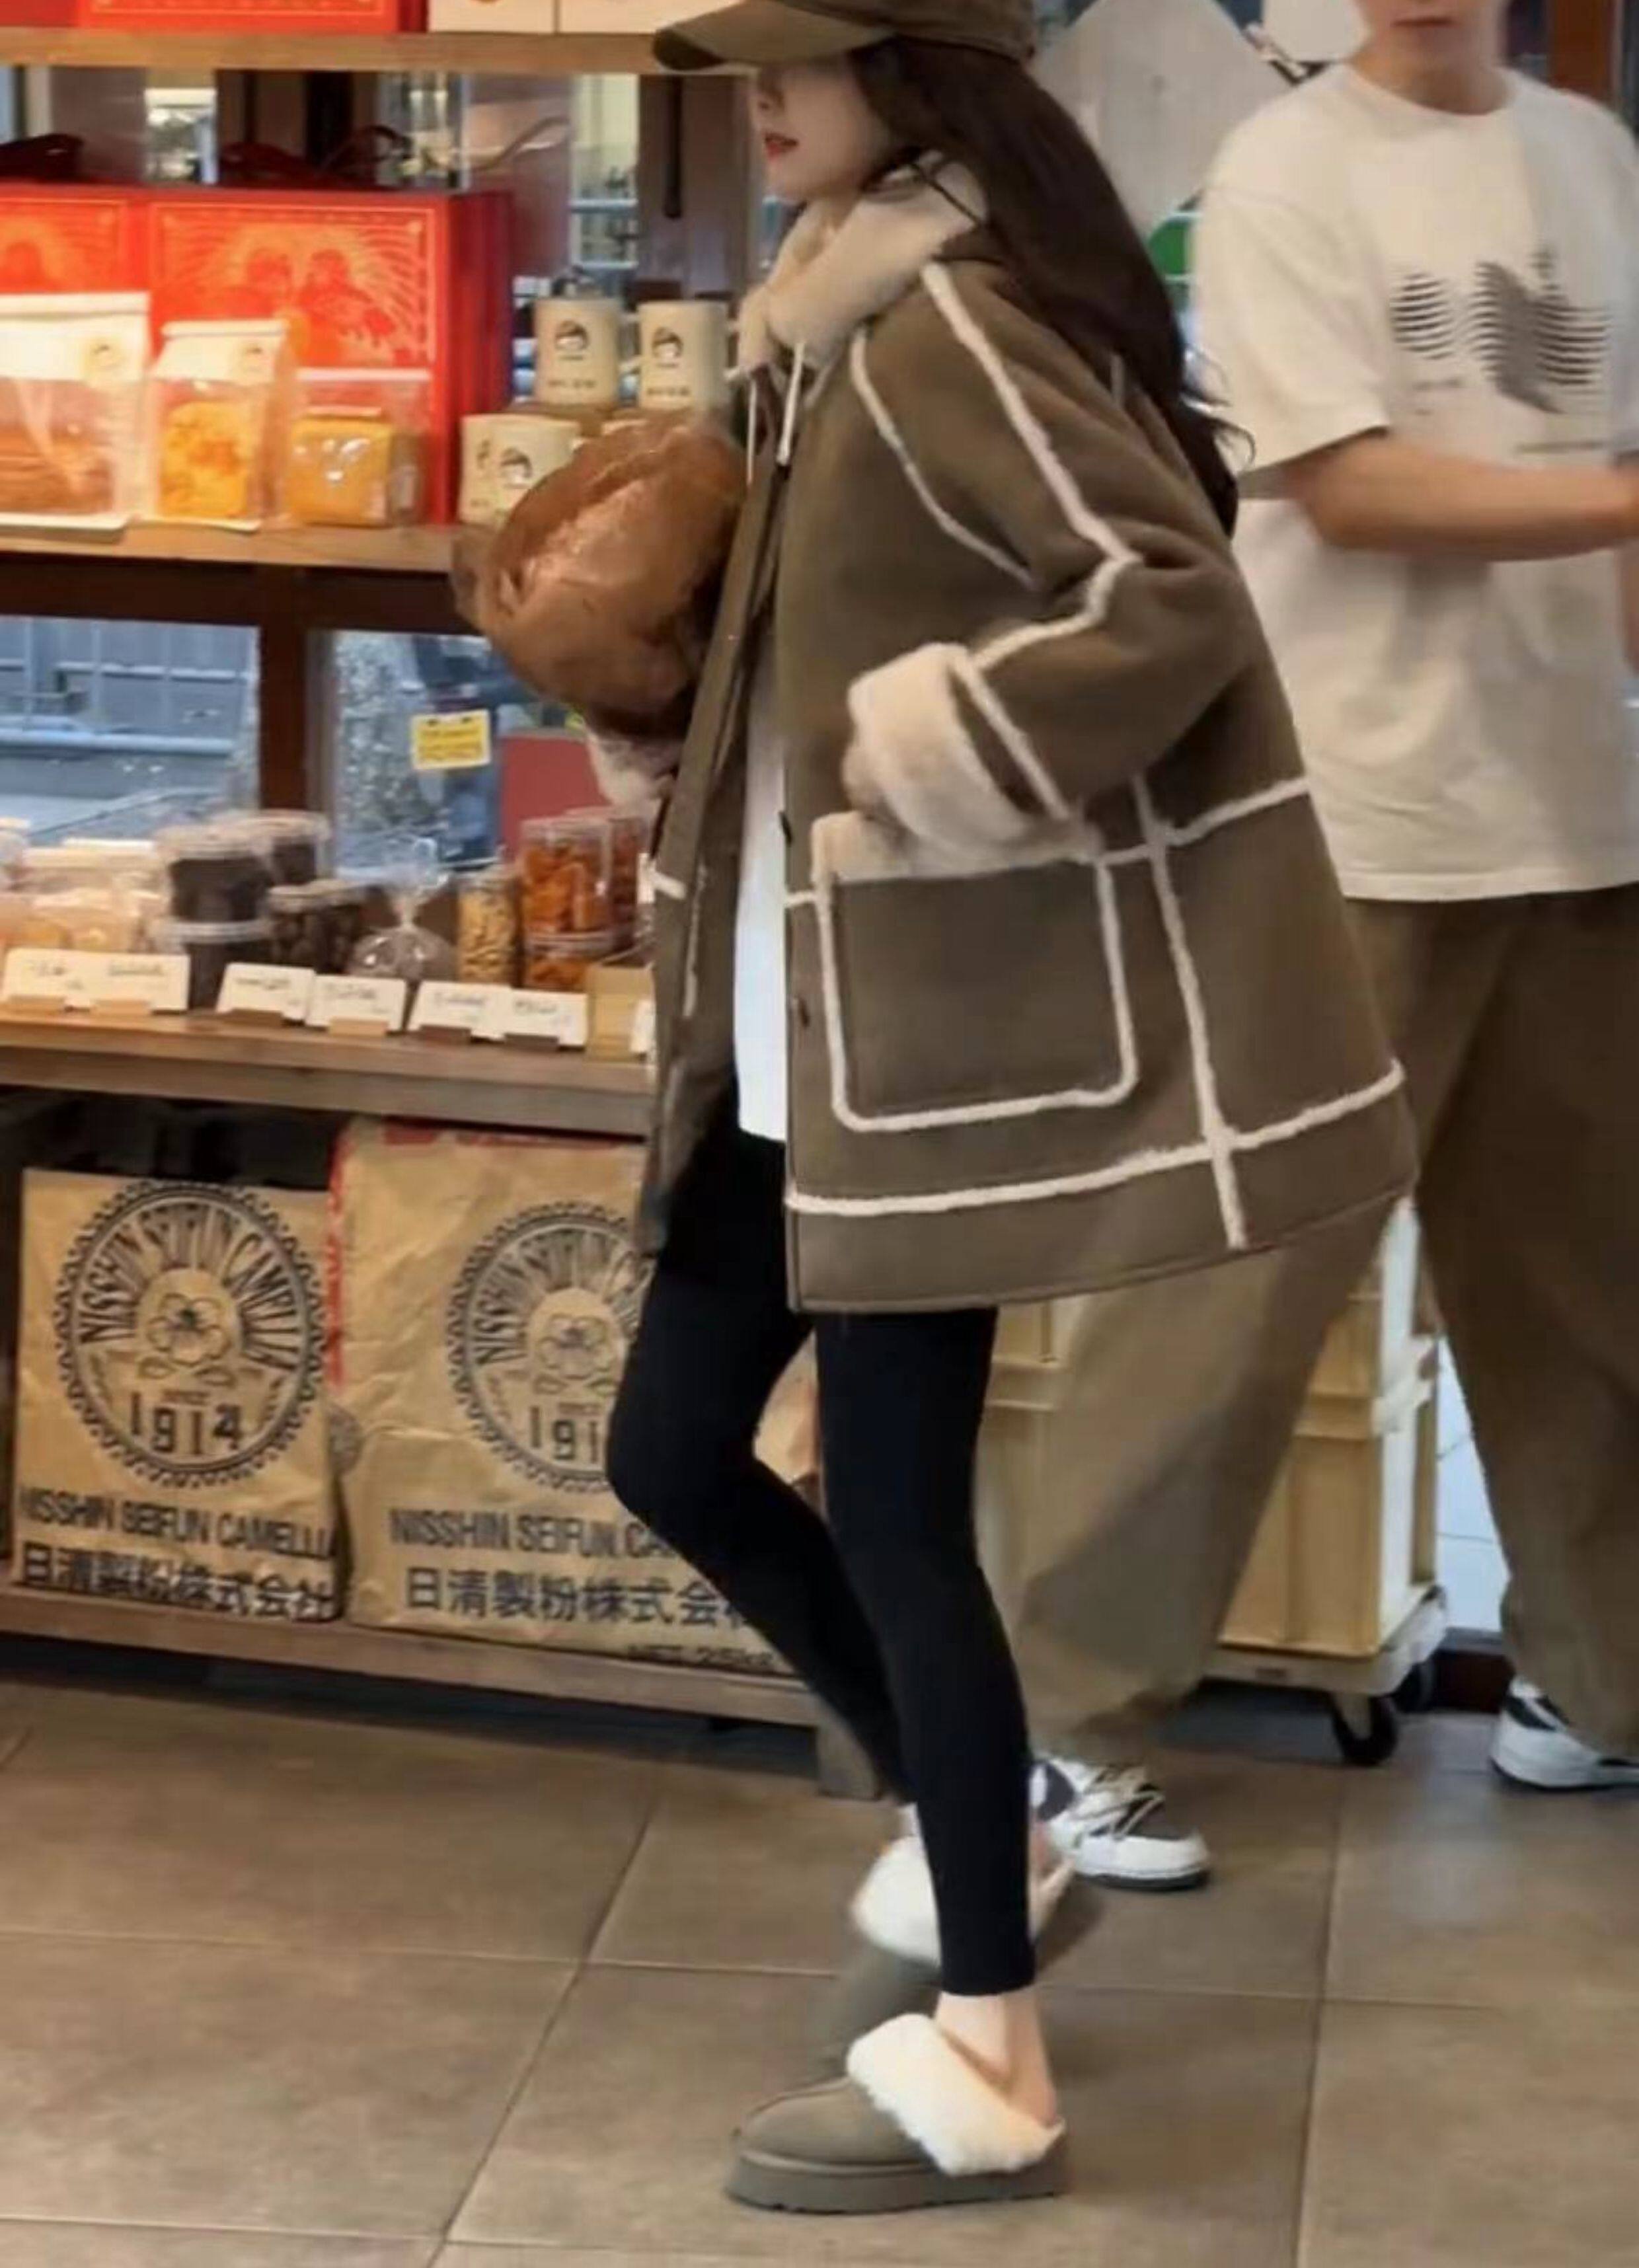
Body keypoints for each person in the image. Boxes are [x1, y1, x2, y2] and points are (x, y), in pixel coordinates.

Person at [603, 0, 1410, 2217]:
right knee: (669, 1450)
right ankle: (1004, 1822)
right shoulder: (820, 314)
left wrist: (934, 756)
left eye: (798, 61)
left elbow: (1165, 588)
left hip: (923, 1045)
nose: (761, 98)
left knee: (895, 1516)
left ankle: (992, 2054)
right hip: (793, 1021)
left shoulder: (943, 315)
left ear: (916, 74)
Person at [1186, 0, 1639, 1797]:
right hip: (1354, 816)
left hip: (1574, 813)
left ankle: (1598, 1687)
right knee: (1228, 1305)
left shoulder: (1593, 157)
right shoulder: (1283, 168)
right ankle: (1066, 1725)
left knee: (1584, 1300)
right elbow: (1348, 488)